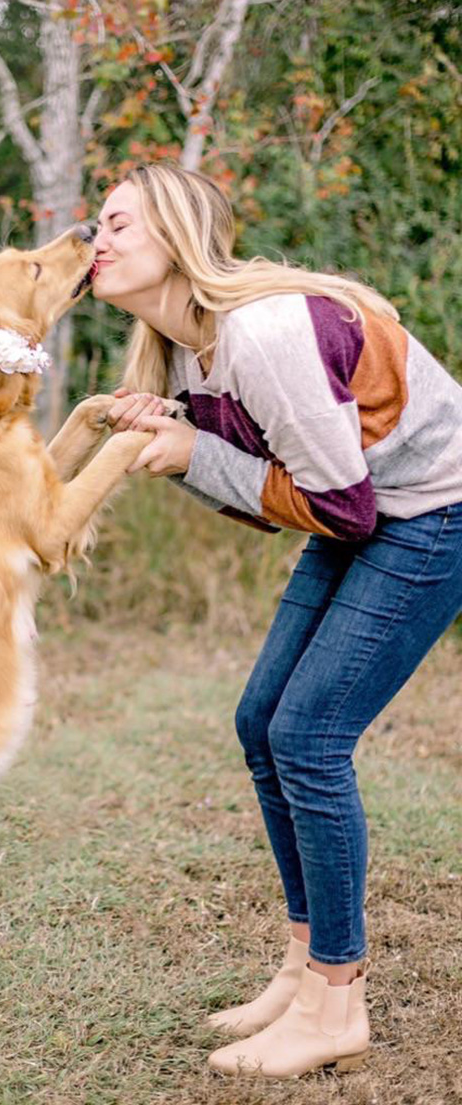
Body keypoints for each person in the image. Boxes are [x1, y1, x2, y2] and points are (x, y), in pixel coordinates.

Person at [90, 161, 462, 1079]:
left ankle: (337, 1002)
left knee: (310, 734)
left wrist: (194, 453)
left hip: (434, 511)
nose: (95, 240)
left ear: (175, 239)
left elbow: (344, 509)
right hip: (371, 505)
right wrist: (184, 439)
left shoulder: (262, 333)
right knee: (261, 722)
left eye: (117, 224)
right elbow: (281, 496)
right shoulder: (185, 351)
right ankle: (304, 971)